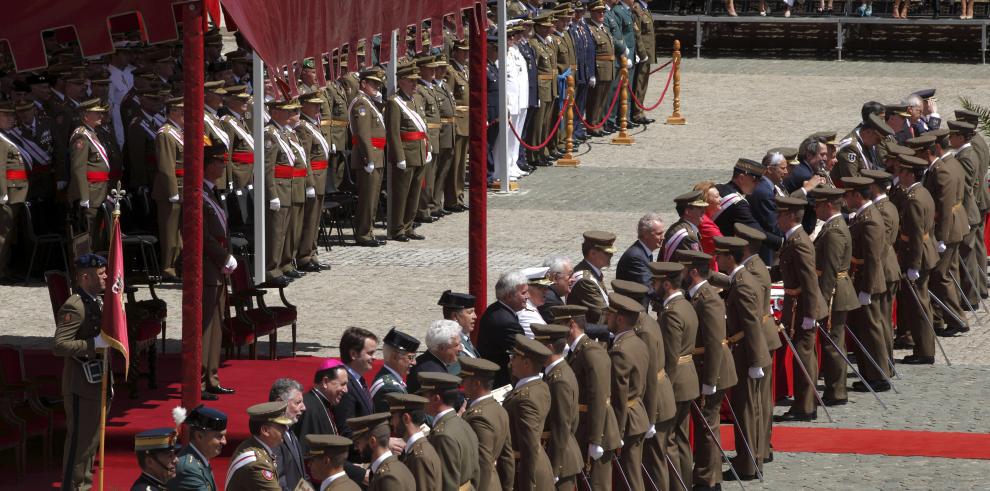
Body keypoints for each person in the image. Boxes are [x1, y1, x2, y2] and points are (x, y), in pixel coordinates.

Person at [679, 250, 737, 491]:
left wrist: (709, 381)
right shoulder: (697, 295)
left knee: (707, 425)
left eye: (682, 269)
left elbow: (714, 341)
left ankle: (708, 480)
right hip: (705, 367)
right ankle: (708, 476)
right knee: (705, 424)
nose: (679, 273)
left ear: (692, 272)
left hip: (712, 370)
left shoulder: (708, 298)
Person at [714, 236, 770, 481]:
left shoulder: (743, 283)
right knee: (748, 408)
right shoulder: (741, 277)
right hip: (746, 352)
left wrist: (756, 362)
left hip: (746, 355)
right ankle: (750, 458)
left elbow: (752, 325)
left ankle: (748, 465)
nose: (717, 259)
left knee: (746, 409)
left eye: (720, 255)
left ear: (729, 257)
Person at [55, 253, 108, 491]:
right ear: (85, 277)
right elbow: (60, 345)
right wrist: (92, 345)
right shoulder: (74, 305)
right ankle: (74, 487)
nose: (106, 276)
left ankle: (84, 485)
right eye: (101, 273)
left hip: (96, 381)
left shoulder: (97, 300)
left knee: (92, 442)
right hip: (80, 384)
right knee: (80, 444)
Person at [907, 131, 968, 336]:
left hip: (949, 228)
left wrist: (941, 237)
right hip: (954, 224)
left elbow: (945, 205)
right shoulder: (946, 165)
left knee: (941, 275)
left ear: (928, 152)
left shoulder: (941, 171)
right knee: (948, 271)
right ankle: (945, 317)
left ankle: (957, 318)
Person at [772, 196, 827, 422]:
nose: (776, 218)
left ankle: (804, 408)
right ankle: (805, 403)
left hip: (803, 308)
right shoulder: (793, 238)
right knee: (804, 356)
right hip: (800, 307)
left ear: (789, 216)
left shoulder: (799, 241)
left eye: (780, 214)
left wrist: (810, 314)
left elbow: (809, 280)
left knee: (803, 357)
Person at [807, 187, 859, 406]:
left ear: (828, 205)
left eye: (818, 205)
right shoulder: (833, 226)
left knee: (833, 344)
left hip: (834, 292)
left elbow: (830, 269)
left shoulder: (834, 230)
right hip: (837, 289)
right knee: (833, 341)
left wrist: (823, 300)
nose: (815, 209)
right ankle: (834, 388)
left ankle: (836, 392)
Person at [650, 262, 700, 490]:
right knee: (681, 438)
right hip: (688, 377)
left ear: (667, 284)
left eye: (656, 282)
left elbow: (669, 357)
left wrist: (663, 389)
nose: (653, 286)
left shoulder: (671, 313)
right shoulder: (685, 304)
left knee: (667, 440)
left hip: (676, 382)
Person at [560, 303, 620, 490]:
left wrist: (595, 439)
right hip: (585, 426)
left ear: (571, 325)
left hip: (596, 429)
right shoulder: (578, 351)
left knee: (597, 485)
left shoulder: (591, 352)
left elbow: (598, 397)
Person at [841, 177, 891, 393]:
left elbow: (872, 258)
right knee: (865, 331)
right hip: (861, 280)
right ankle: (871, 374)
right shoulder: (864, 215)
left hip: (866, 282)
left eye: (848, 195)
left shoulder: (869, 219)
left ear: (858, 196)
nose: (845, 199)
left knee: (871, 331)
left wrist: (866, 290)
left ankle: (879, 376)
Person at [893, 155, 939, 365]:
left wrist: (913, 265)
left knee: (918, 306)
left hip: (918, 255)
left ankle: (924, 351)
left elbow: (916, 234)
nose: (899, 175)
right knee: (922, 303)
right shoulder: (922, 192)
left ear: (911, 174)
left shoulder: (913, 198)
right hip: (925, 252)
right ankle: (924, 348)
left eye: (902, 172)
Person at [200, 144, 236, 400]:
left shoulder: (213, 192)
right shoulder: (198, 194)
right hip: (207, 266)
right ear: (209, 164)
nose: (223, 167)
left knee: (217, 325)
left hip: (218, 267)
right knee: (206, 326)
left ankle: (212, 377)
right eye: (219, 162)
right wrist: (224, 257)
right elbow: (202, 235)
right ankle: (201, 380)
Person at [604, 293, 650, 491]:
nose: (606, 318)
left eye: (609, 315)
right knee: (633, 474)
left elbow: (620, 395)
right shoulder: (637, 342)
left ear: (620, 319)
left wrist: (618, 430)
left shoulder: (620, 351)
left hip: (628, 421)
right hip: (638, 414)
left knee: (629, 479)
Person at [529, 323, 582, 489]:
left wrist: (554, 467)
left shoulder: (558, 380)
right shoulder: (557, 372)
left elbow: (562, 426)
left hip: (560, 458)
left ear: (549, 347)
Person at [503, 335, 555, 490]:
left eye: (514, 357)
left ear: (526, 363)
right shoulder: (539, 386)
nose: (511, 361)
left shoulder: (525, 399)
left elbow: (529, 446)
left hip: (526, 472)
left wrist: (527, 485)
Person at [386, 61, 430, 242]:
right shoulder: (394, 103)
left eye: (416, 81)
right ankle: (397, 229)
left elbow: (423, 127)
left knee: (414, 193)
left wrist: (428, 148)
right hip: (406, 153)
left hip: (420, 151)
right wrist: (399, 156)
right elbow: (393, 132)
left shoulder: (417, 99)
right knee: (401, 194)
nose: (415, 85)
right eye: (411, 81)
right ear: (401, 81)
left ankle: (409, 225)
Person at [417, 372, 481, 491]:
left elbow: (447, 483)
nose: (422, 401)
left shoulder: (442, 435)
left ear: (436, 398)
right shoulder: (462, 423)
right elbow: (476, 473)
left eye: (424, 396)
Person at [460, 356, 515, 491]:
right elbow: (507, 457)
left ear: (477, 384)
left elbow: (483, 462)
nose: (461, 383)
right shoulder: (498, 409)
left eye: (465, 379)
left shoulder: (478, 417)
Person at [948, 120, 986, 311]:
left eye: (952, 136)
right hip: (970, 212)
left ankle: (971, 297)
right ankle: (975, 293)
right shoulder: (965, 153)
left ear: (961, 137)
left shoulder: (965, 157)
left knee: (966, 256)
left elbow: (964, 187)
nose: (949, 139)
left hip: (967, 212)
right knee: (968, 255)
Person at [349, 67, 388, 247]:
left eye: (378, 84)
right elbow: (364, 135)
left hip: (377, 154)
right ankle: (363, 233)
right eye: (373, 83)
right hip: (369, 156)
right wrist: (369, 158)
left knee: (373, 196)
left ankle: (368, 230)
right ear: (363, 84)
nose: (377, 87)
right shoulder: (362, 104)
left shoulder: (370, 102)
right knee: (367, 197)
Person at [295, 91, 332, 272]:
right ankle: (304, 256)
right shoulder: (302, 127)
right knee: (309, 219)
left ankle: (312, 251)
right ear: (304, 106)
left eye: (319, 104)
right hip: (313, 177)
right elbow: (306, 158)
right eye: (314, 104)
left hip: (321, 176)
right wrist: (309, 183)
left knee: (316, 218)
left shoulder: (313, 125)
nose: (318, 107)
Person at [69, 99, 112, 251]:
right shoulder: (81, 135)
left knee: (96, 232)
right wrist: (84, 196)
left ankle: (95, 266)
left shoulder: (93, 133)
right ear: (86, 116)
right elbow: (78, 168)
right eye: (97, 113)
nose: (101, 115)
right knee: (87, 233)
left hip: (99, 190)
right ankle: (85, 268)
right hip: (90, 191)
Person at [226, 401, 293, 491]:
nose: (286, 429)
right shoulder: (257, 463)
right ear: (265, 430)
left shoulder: (254, 445)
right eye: (281, 426)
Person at [478, 270, 528, 388]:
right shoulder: (506, 322)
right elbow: (526, 353)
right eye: (524, 293)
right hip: (500, 383)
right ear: (509, 296)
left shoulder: (497, 310)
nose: (528, 296)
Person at [152, 97, 184, 280]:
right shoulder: (165, 133)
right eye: (182, 111)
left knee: (180, 231)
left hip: (182, 187)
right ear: (173, 112)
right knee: (170, 233)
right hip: (170, 191)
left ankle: (178, 265)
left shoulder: (178, 131)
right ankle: (169, 268)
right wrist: (173, 191)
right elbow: (166, 166)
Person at [385, 393, 442, 491]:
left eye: (393, 417)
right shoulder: (418, 449)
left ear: (406, 418)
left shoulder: (419, 456)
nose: (391, 422)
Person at [345, 413, 415, 491]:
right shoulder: (392, 469)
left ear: (372, 441)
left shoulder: (388, 478)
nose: (355, 448)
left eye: (357, 443)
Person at [0, 102, 29, 283]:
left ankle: (5, 268)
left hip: (16, 193)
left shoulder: (8, 137)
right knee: (3, 234)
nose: (12, 119)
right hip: (8, 194)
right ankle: (1, 271)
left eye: (13, 116)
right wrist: (2, 192)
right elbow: (1, 168)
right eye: (7, 116)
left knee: (9, 234)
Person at [334, 327, 379, 444]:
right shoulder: (345, 385)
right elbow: (347, 432)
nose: (374, 357)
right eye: (370, 353)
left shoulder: (358, 380)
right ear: (353, 354)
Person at [169, 405, 227, 491]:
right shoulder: (188, 469)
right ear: (199, 436)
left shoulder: (199, 459)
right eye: (219, 436)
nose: (224, 442)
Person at [567, 230, 617, 323]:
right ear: (592, 253)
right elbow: (602, 313)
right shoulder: (585, 280)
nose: (611, 255)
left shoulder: (592, 271)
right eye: (607, 253)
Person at [616, 213, 664, 307]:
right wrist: (670, 299)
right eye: (659, 234)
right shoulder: (636, 257)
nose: (663, 237)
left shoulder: (643, 252)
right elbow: (648, 288)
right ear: (646, 235)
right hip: (630, 314)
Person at [269, 378, 308, 491]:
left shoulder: (289, 430)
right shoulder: (273, 436)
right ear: (279, 403)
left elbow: (302, 476)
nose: (304, 407)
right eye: (298, 403)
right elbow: (279, 481)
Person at [831, 113, 893, 182]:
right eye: (877, 139)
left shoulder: (867, 143)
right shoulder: (851, 147)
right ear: (868, 132)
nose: (878, 143)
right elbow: (851, 179)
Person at [370, 327, 421, 412]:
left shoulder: (392, 381)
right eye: (411, 357)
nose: (414, 362)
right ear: (395, 357)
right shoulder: (390, 388)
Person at [407, 320, 463, 395]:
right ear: (441, 348)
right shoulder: (435, 374)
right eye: (456, 345)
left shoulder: (424, 360)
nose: (461, 349)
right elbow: (454, 401)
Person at [750, 151, 787, 263]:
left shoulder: (769, 187)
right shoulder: (764, 192)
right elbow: (772, 225)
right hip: (766, 247)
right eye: (782, 168)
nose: (786, 172)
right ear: (770, 169)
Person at [713, 159, 765, 237]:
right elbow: (756, 231)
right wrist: (780, 241)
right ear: (741, 178)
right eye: (755, 180)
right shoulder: (739, 203)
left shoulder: (716, 188)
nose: (757, 184)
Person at [662, 191, 705, 262]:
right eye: (700, 208)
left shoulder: (678, 227)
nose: (703, 211)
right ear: (687, 211)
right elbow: (696, 267)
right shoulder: (687, 237)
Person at [438, 290, 479, 357]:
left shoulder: (463, 338)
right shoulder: (451, 344)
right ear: (455, 316)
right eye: (470, 312)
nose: (475, 316)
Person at [518, 266, 551, 333]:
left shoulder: (532, 307)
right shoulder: (526, 315)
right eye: (541, 287)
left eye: (547, 287)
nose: (546, 291)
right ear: (526, 288)